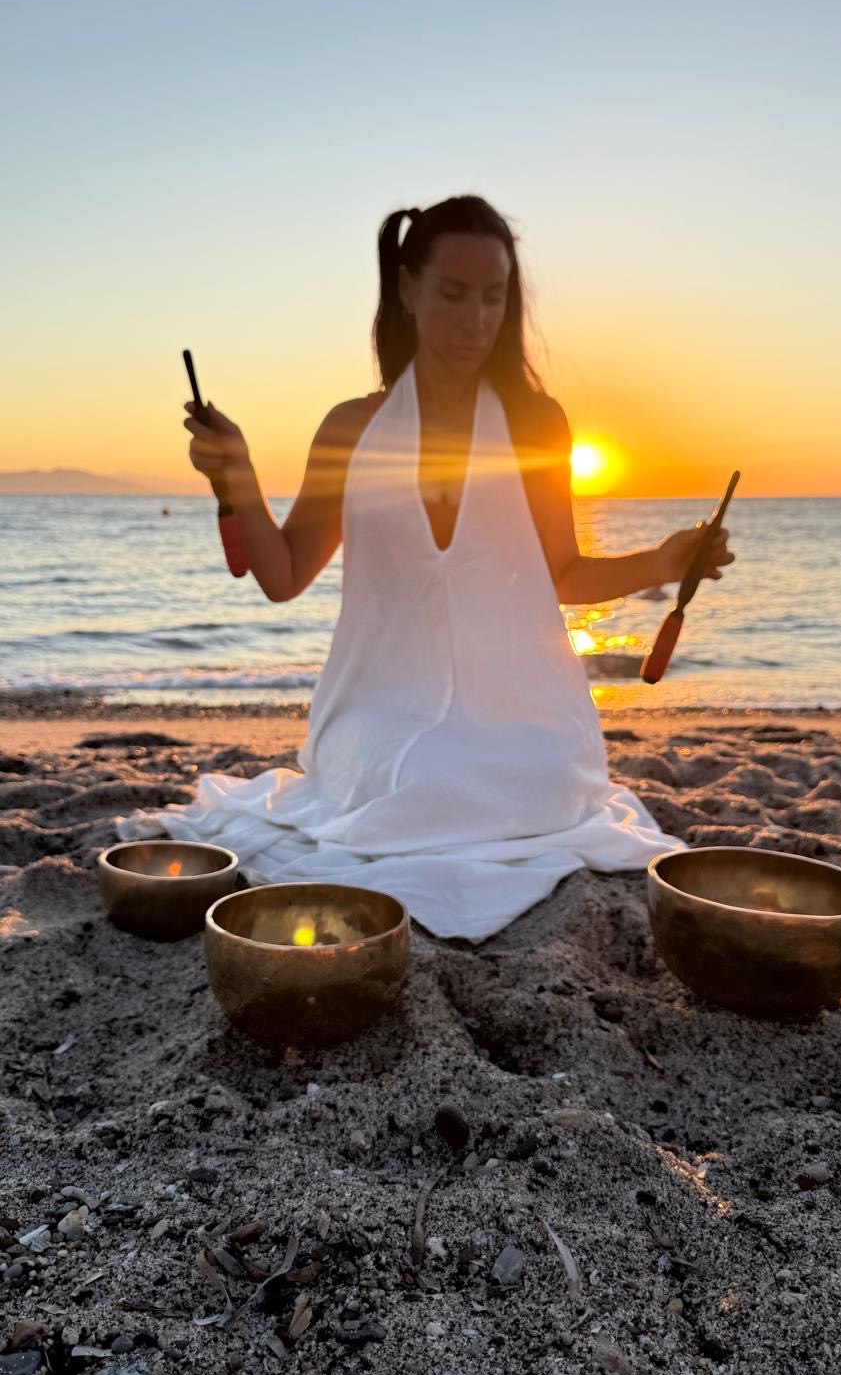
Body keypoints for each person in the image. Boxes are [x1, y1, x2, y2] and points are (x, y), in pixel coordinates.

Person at [116, 195, 734, 941]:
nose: (476, 319)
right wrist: (239, 475)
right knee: (413, 782)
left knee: (533, 781)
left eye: (494, 298)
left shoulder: (538, 424)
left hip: (521, 711)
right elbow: (282, 575)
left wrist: (661, 562)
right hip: (378, 705)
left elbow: (560, 574)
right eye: (453, 294)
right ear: (407, 291)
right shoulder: (353, 427)